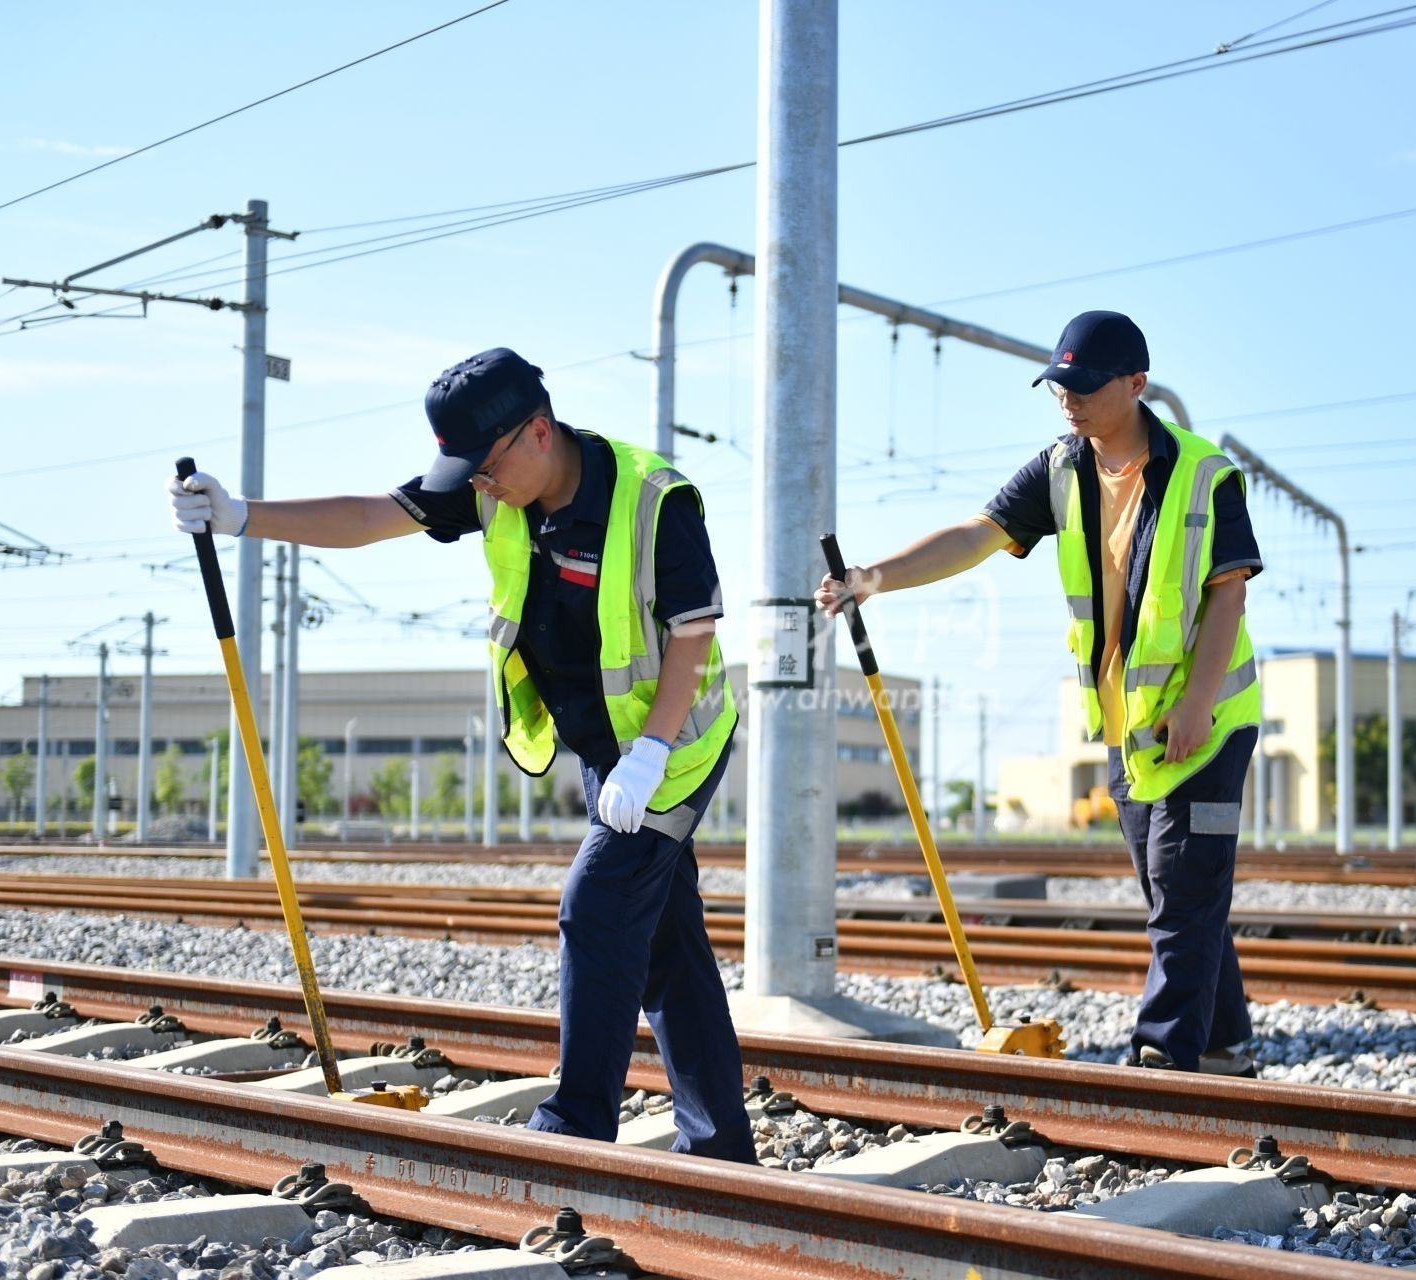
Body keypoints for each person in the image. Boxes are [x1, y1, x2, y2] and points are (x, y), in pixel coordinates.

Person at [168, 347, 755, 1158]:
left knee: (596, 907)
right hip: (601, 748)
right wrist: (242, 517)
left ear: (538, 434)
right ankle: (722, 1146)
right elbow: (372, 517)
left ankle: (575, 1130)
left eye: (485, 468)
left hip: (674, 742)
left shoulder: (656, 501)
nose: (478, 486)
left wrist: (651, 751)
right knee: (663, 944)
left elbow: (693, 634)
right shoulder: (495, 491)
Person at [815, 311, 1264, 1075]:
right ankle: (1225, 1044)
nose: (1068, 399)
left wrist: (1195, 706)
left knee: (1183, 895)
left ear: (1135, 384)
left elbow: (1228, 599)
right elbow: (976, 535)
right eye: (1059, 385)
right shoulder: (1061, 470)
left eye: (1085, 386)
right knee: (1180, 890)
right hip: (1133, 730)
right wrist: (873, 578)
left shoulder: (1204, 473)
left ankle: (1165, 1064)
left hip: (1211, 725)